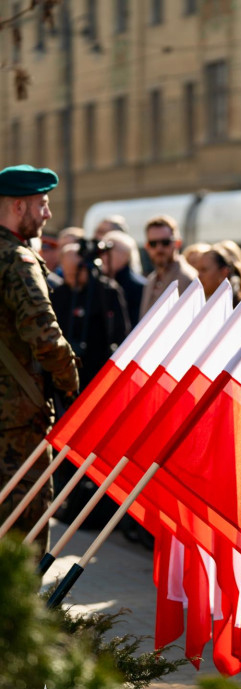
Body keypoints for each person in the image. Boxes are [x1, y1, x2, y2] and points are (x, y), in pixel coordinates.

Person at [0, 164, 79, 553]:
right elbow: (46, 338)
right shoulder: (17, 261)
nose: (47, 214)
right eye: (42, 204)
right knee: (22, 541)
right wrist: (72, 387)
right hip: (16, 426)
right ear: (19, 206)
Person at [51, 241, 130, 391]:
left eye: (75, 272)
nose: (71, 278)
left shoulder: (107, 292)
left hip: (98, 371)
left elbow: (121, 331)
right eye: (67, 273)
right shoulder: (58, 294)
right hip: (65, 372)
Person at [139, 215, 197, 317]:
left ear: (177, 243)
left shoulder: (187, 279)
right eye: (153, 244)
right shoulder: (151, 280)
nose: (159, 249)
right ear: (147, 246)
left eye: (165, 242)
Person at [99, 230, 147, 327]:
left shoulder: (138, 287)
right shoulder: (99, 283)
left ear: (125, 254)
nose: (103, 256)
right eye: (102, 251)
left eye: (108, 251)